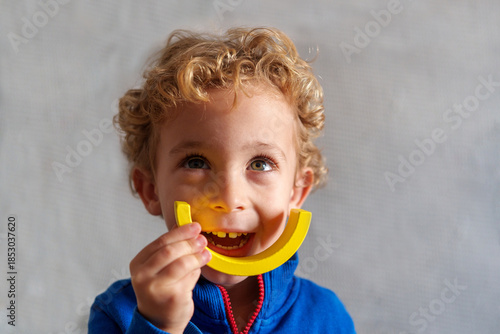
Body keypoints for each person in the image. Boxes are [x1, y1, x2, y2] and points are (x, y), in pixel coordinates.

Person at [88, 27, 356, 334]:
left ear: (297, 191)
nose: (229, 198)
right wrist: (158, 325)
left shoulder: (325, 315)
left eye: (259, 163)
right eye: (196, 163)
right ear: (150, 190)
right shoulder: (118, 314)